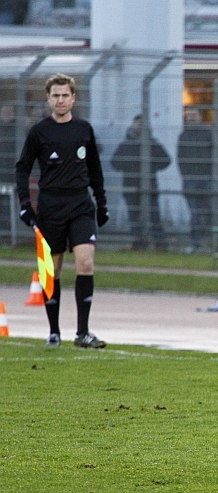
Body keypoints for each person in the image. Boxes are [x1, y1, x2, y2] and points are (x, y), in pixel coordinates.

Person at [15, 73, 109, 349]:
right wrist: (25, 205)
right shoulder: (39, 132)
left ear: (73, 98)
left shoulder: (84, 129)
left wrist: (101, 202)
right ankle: (54, 331)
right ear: (48, 99)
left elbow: (95, 169)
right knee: (52, 270)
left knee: (86, 262)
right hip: (51, 207)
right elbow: (22, 168)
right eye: (55, 95)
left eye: (65, 95)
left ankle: (83, 332)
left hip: (80, 205)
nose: (60, 100)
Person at [110, 114, 171, 250]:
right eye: (137, 123)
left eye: (142, 124)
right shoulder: (126, 144)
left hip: (150, 186)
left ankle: (159, 242)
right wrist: (129, 165)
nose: (139, 127)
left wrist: (150, 166)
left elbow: (166, 160)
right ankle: (138, 242)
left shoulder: (153, 143)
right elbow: (114, 162)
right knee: (134, 217)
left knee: (154, 215)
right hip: (131, 186)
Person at [177, 108, 214, 252]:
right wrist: (185, 175)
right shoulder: (183, 136)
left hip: (206, 177)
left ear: (200, 117)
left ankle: (212, 242)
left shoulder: (207, 134)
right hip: (190, 179)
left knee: (212, 211)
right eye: (189, 116)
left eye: (194, 115)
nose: (191, 118)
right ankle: (195, 243)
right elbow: (180, 156)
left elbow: (214, 153)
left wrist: (210, 172)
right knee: (194, 213)